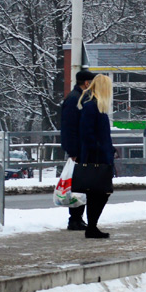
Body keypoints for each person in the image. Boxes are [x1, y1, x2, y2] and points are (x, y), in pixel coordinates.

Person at [78, 74, 116, 238]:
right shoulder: (91, 107)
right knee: (98, 193)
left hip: (101, 155)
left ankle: (92, 226)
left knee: (99, 193)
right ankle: (91, 227)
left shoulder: (95, 106)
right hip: (96, 157)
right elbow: (87, 133)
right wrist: (100, 149)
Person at [59, 69, 95, 231]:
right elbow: (69, 128)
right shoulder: (75, 99)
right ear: (86, 83)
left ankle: (77, 218)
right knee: (78, 185)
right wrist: (73, 151)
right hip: (79, 151)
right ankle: (75, 218)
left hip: (80, 149)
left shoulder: (78, 98)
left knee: (82, 185)